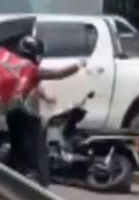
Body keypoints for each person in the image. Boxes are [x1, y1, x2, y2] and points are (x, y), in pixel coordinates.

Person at [6, 35, 83, 187]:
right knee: (33, 149)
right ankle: (31, 178)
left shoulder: (13, 66)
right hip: (28, 115)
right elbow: (58, 74)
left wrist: (47, 98)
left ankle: (13, 174)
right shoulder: (31, 69)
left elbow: (34, 86)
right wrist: (77, 66)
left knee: (17, 145)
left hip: (11, 113)